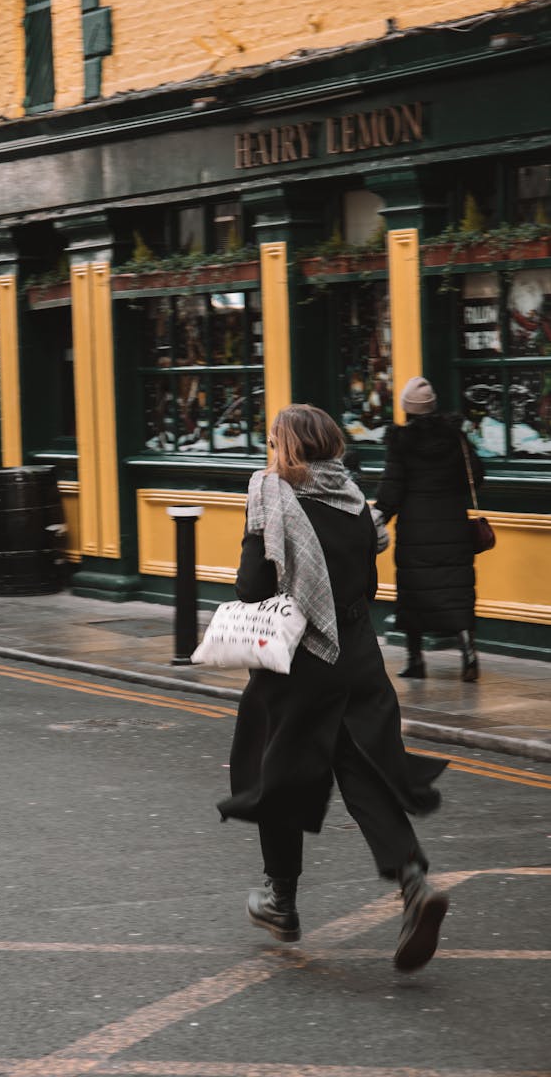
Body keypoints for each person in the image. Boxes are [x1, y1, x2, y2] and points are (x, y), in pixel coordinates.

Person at [217, 403, 449, 972]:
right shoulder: (353, 504)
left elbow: (251, 587)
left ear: (288, 447)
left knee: (278, 772)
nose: (269, 451)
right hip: (358, 656)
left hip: (300, 659)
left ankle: (281, 901)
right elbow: (368, 583)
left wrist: (258, 540)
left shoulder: (273, 499)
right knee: (362, 769)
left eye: (274, 441)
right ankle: (413, 881)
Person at [372, 377, 483, 683]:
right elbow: (476, 474)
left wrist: (378, 515)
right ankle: (469, 654)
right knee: (458, 591)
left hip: (416, 528)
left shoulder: (401, 442)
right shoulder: (455, 436)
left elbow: (391, 488)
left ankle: (416, 660)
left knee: (414, 592)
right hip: (453, 524)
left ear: (407, 409)